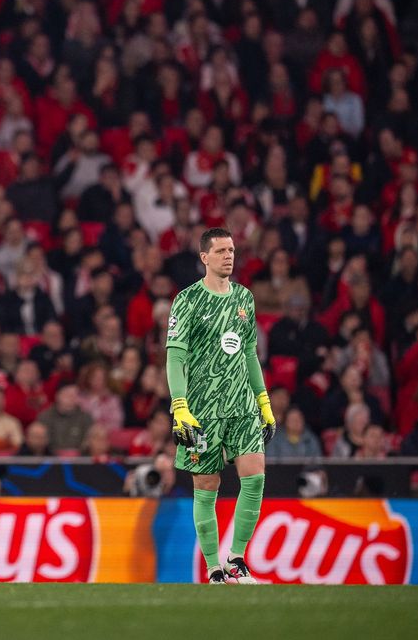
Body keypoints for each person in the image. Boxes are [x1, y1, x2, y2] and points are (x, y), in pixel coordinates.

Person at [165, 227, 275, 584]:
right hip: (202, 408)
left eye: (231, 250)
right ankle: (213, 567)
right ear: (204, 258)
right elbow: (175, 357)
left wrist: (264, 401)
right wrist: (180, 406)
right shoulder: (187, 301)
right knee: (207, 487)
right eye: (221, 251)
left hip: (241, 404)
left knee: (255, 476)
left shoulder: (244, 298)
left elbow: (249, 354)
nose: (229, 256)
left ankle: (237, 559)